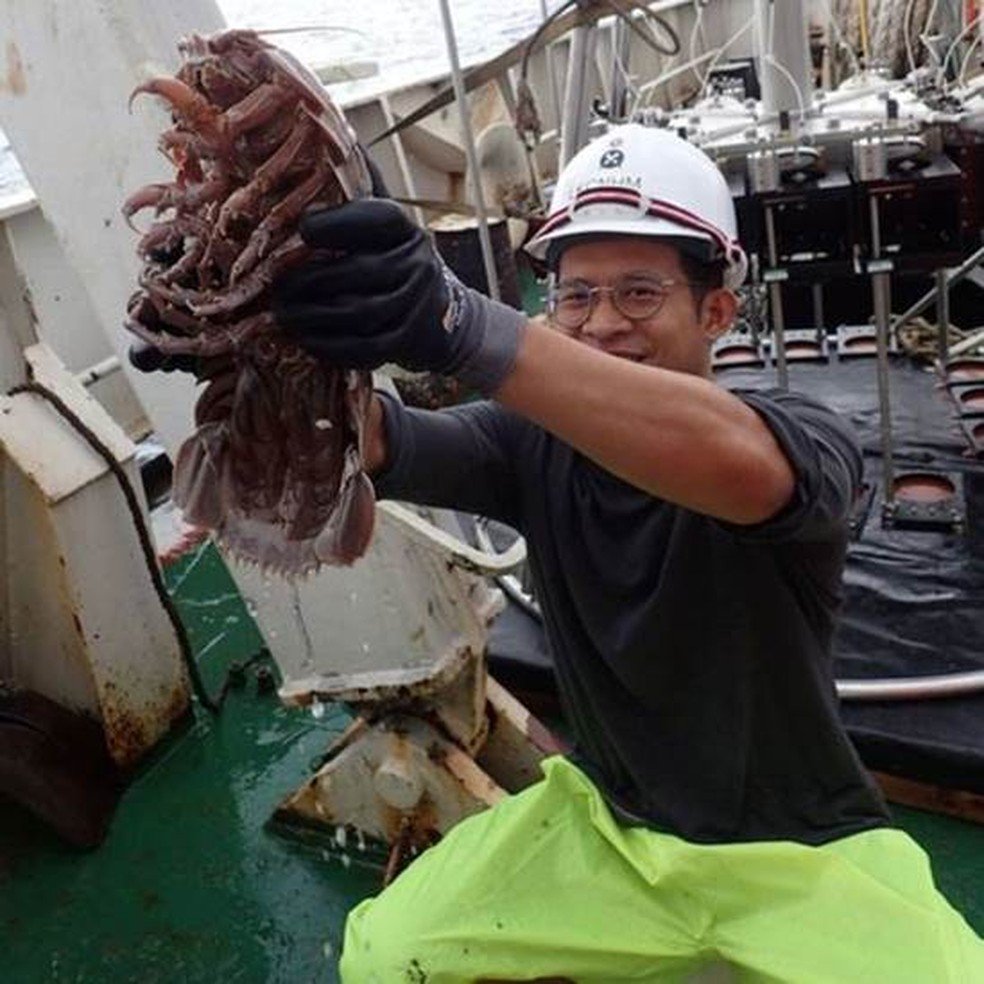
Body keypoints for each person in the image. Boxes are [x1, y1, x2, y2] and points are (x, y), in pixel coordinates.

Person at [136, 124, 984, 982]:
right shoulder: (527, 443)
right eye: (576, 297)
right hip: (611, 828)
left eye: (640, 294)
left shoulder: (803, 436)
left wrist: (463, 323)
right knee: (388, 956)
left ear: (717, 312)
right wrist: (258, 346)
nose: (603, 323)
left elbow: (747, 469)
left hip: (803, 851)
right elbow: (375, 439)